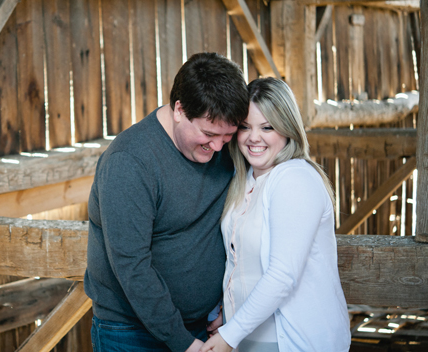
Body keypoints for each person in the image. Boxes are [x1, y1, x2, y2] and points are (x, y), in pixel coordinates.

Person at [84, 52, 249, 352]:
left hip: (204, 324)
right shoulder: (130, 162)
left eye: (227, 136)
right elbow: (131, 265)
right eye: (209, 134)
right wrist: (182, 342)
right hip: (131, 334)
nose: (216, 147)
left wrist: (233, 302)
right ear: (178, 110)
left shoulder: (228, 148)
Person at [201, 77, 351, 352]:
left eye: (267, 127)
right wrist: (231, 311)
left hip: (294, 341)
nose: (253, 137)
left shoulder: (295, 178)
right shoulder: (244, 179)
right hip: (252, 338)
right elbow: (242, 263)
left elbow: (283, 274)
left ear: (287, 129)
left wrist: (229, 335)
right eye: (245, 127)